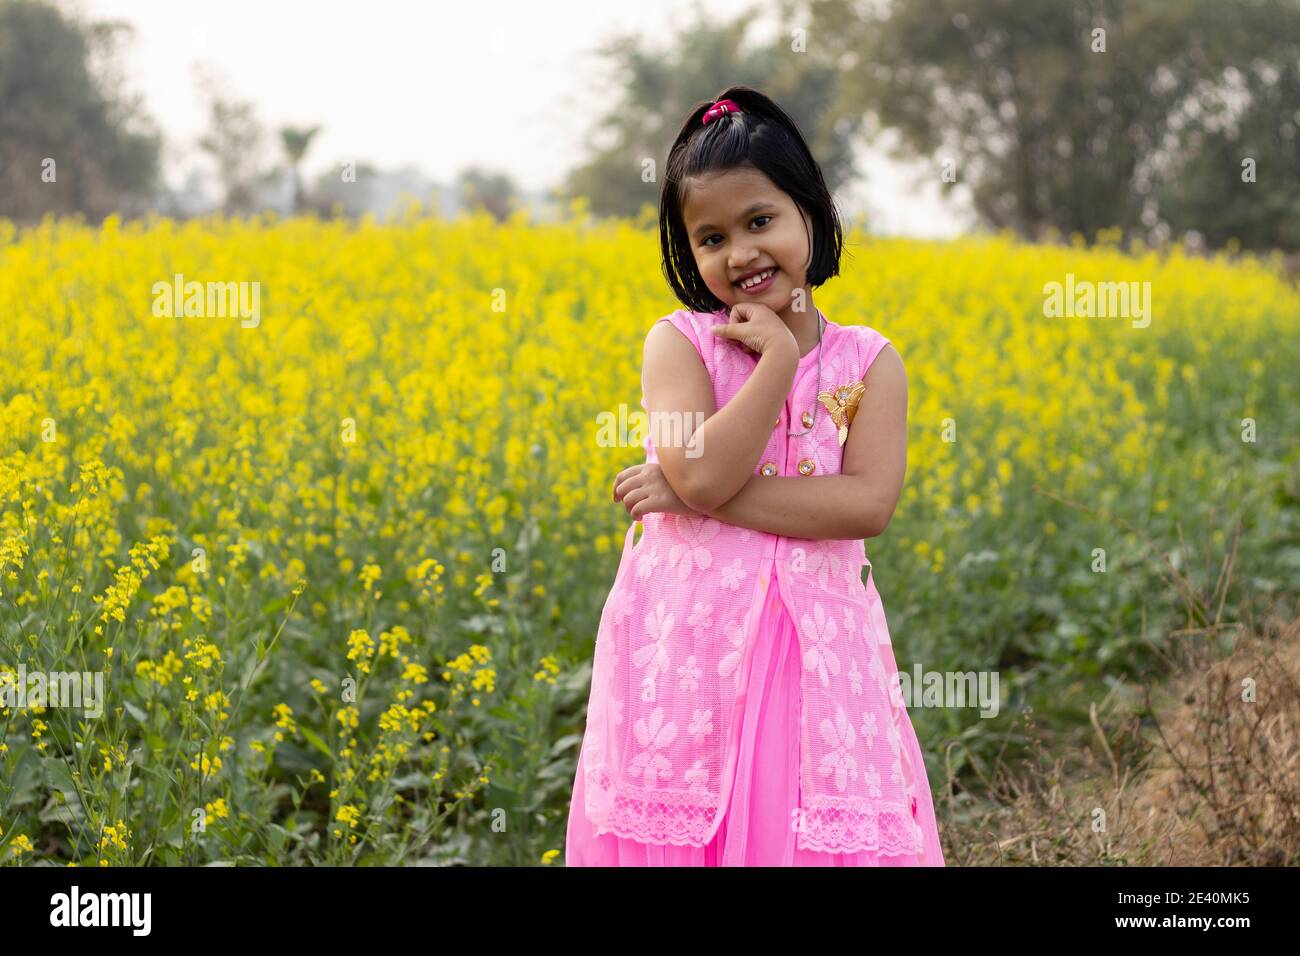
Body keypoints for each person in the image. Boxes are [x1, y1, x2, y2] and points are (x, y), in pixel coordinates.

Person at [565, 86, 944, 866]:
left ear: (810, 210)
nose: (739, 253)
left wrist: (695, 494)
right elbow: (701, 474)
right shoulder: (677, 345)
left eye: (760, 221)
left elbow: (865, 503)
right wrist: (775, 360)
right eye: (710, 238)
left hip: (817, 655)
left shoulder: (869, 361)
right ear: (686, 252)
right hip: (690, 651)